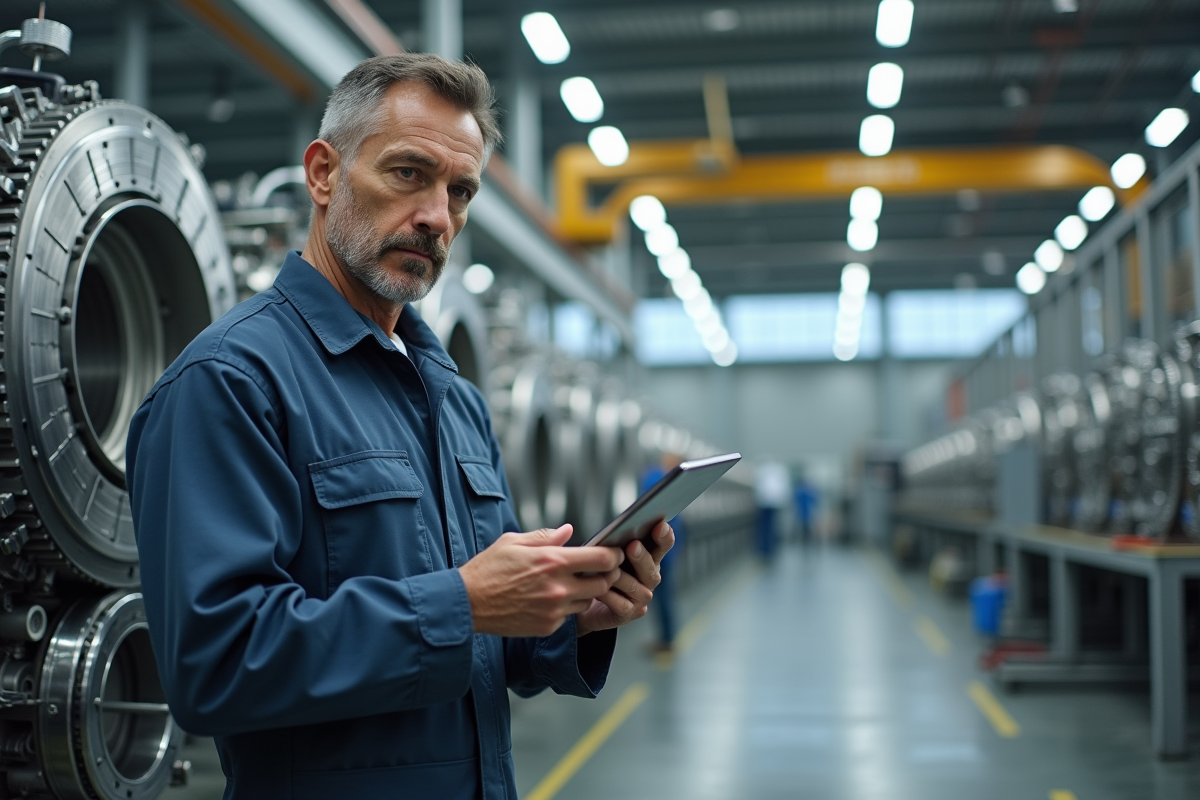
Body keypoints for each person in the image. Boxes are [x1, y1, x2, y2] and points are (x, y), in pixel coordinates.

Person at [126, 54, 673, 800]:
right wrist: (463, 603)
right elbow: (215, 665)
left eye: (460, 191)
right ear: (323, 174)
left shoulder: (454, 396)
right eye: (408, 174)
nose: (437, 217)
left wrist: (574, 616)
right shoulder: (231, 382)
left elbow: (489, 644)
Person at [639, 453, 684, 653]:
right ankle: (667, 637)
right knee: (665, 594)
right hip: (669, 544)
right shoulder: (676, 482)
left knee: (662, 594)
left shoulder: (655, 476)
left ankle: (666, 641)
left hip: (656, 545)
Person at [754, 459, 790, 560]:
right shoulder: (779, 471)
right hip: (773, 503)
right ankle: (770, 549)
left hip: (765, 503)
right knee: (771, 527)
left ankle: (766, 549)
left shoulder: (763, 471)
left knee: (766, 527)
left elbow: (759, 487)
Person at [793, 472, 818, 545]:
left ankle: (806, 541)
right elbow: (814, 501)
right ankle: (806, 541)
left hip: (804, 513)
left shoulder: (800, 491)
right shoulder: (808, 491)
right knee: (805, 529)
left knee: (805, 529)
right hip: (805, 513)